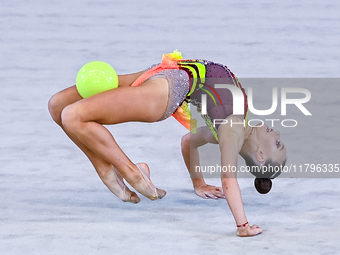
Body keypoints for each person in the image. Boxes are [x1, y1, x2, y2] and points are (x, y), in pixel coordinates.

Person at [48, 50, 286, 237]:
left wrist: (242, 225)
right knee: (58, 106)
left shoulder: (232, 130)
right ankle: (113, 170)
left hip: (165, 90)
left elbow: (228, 180)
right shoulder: (230, 128)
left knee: (73, 115)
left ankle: (130, 172)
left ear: (260, 155)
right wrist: (199, 183)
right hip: (162, 72)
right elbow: (188, 142)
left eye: (278, 144)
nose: (276, 133)